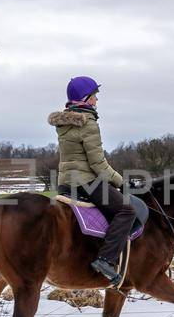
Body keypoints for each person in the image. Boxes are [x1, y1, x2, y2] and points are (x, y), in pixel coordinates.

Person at [48, 76, 137, 287]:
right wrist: (121, 182)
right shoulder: (88, 123)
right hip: (87, 182)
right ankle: (105, 260)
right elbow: (98, 165)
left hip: (65, 182)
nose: (96, 100)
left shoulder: (64, 123)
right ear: (86, 98)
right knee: (126, 211)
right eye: (95, 96)